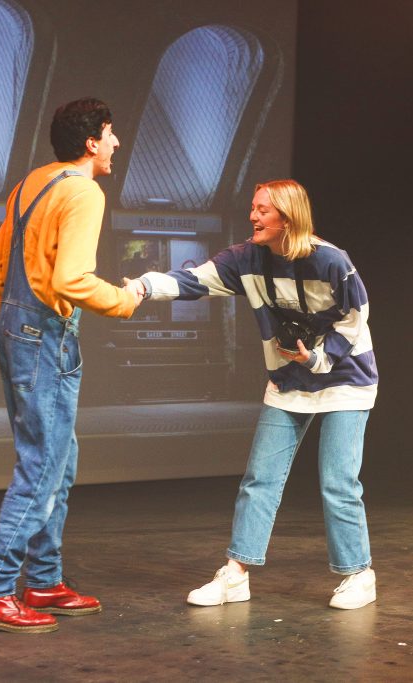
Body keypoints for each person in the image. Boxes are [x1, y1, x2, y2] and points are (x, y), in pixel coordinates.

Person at [127, 179, 379, 610]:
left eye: (263, 210)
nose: (253, 217)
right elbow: (194, 279)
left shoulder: (332, 261)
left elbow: (355, 319)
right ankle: (235, 575)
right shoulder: (246, 258)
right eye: (253, 208)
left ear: (288, 217)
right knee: (259, 479)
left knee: (338, 481)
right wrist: (144, 287)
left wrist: (317, 359)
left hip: (345, 380)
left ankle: (358, 575)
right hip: (287, 381)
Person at [0, 98, 143, 633]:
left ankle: (43, 580)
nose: (116, 143)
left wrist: (19, 324)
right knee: (43, 465)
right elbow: (71, 280)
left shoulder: (31, 183)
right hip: (45, 335)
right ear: (92, 142)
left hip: (17, 329)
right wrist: (125, 298)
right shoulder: (84, 190)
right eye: (110, 135)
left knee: (58, 462)